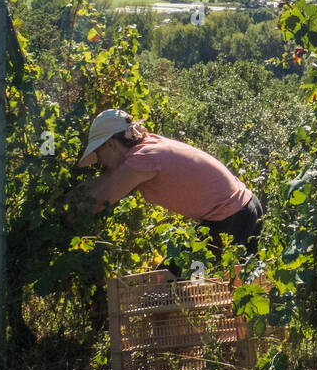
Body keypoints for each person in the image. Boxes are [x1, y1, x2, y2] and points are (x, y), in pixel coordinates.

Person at [67, 109, 263, 277]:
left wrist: (62, 214)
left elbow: (99, 200)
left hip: (230, 218)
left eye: (99, 153)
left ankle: (185, 320)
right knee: (238, 282)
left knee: (167, 285)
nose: (100, 161)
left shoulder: (141, 160)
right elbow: (107, 180)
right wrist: (69, 195)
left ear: (110, 144)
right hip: (246, 207)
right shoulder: (149, 145)